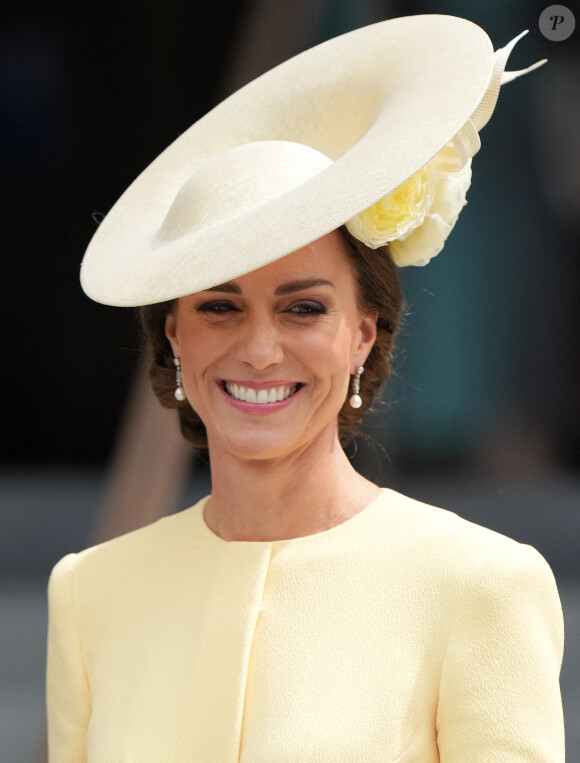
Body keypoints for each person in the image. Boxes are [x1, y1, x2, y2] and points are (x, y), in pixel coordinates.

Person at [47, 15, 565, 762]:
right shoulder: (89, 594)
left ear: (363, 332)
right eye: (219, 307)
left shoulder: (479, 585)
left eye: (303, 308)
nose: (259, 349)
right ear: (174, 335)